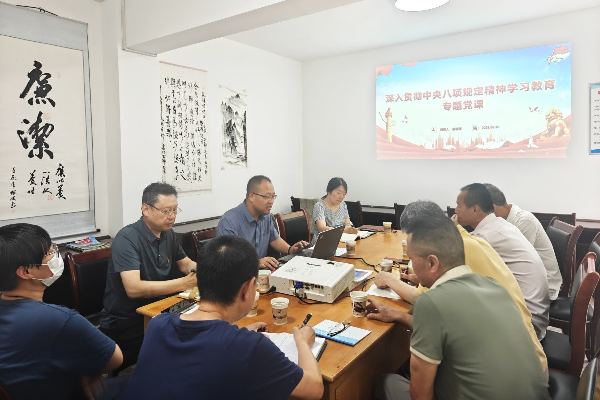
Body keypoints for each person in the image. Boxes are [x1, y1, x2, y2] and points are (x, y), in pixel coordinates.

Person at [369, 216, 549, 400]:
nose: (412, 267)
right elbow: (453, 329)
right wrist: (400, 316)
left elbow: (420, 395)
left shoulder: (431, 302)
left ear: (432, 263)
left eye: (413, 260)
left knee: (388, 382)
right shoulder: (493, 285)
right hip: (537, 391)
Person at [125, 235, 324, 400]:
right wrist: (302, 342)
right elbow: (314, 389)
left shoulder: (157, 324)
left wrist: (239, 334)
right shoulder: (249, 347)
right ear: (248, 288)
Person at [0, 223, 123, 400]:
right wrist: (85, 370)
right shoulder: (59, 320)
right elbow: (115, 359)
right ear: (25, 271)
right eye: (50, 253)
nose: (56, 256)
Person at [100, 182, 197, 370]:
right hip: (128, 321)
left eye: (175, 210)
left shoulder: (167, 234)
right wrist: (184, 283)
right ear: (146, 209)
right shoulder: (127, 238)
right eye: (166, 211)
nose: (172, 216)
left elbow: (186, 264)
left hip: (159, 310)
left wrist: (208, 271)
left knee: (200, 328)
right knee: (183, 342)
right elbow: (133, 288)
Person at [453, 183, 550, 340]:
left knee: (452, 308)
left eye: (458, 205)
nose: (455, 211)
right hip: (535, 313)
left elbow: (458, 269)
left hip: (526, 324)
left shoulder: (486, 236)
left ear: (475, 209)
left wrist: (454, 231)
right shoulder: (500, 225)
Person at [484, 183, 562, 301]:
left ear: (492, 208)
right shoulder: (500, 222)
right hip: (525, 280)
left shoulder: (524, 221)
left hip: (542, 288)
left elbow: (515, 263)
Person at [216, 175, 309, 270]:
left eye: (273, 196)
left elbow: (274, 239)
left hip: (260, 273)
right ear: (251, 196)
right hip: (238, 274)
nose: (271, 201)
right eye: (267, 197)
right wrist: (256, 263)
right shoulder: (229, 222)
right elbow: (227, 261)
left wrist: (290, 249)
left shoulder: (266, 216)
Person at [311, 177, 358, 245]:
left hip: (340, 241)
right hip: (322, 244)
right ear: (329, 192)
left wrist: (351, 228)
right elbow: (322, 228)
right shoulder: (319, 206)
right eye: (338, 193)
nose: (341, 197)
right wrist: (344, 230)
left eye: (344, 194)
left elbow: (347, 223)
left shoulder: (343, 205)